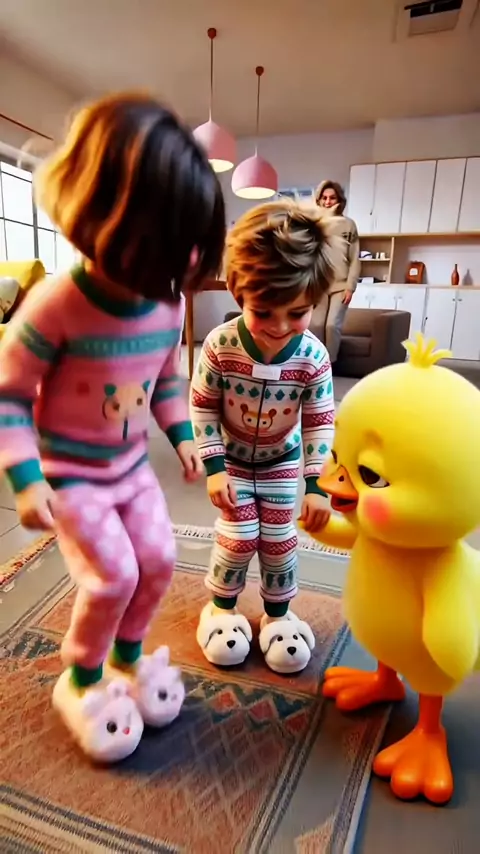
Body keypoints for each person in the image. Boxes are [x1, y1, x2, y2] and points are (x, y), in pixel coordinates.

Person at [0, 92, 225, 762]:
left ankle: (127, 661)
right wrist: (27, 480)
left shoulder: (167, 303)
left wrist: (183, 438)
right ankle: (81, 680)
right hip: (73, 478)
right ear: (107, 222)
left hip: (131, 472)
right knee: (112, 577)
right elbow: (9, 396)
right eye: (168, 250)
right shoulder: (57, 304)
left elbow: (164, 383)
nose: (180, 268)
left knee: (158, 560)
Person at [190, 200, 339, 674]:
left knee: (278, 541)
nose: (279, 327)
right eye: (263, 312)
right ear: (239, 294)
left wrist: (316, 486)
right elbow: (203, 404)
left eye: (297, 313)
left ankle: (278, 617)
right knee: (238, 538)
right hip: (232, 462)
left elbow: (319, 420)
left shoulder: (313, 357)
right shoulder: (220, 345)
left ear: (315, 302)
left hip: (281, 463)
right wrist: (214, 467)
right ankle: (221, 610)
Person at [310, 180, 360, 364]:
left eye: (332, 198)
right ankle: (315, 364)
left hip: (341, 285)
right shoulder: (314, 224)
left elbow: (355, 258)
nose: (328, 201)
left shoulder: (349, 225)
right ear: (319, 200)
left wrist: (350, 287)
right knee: (315, 325)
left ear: (339, 200)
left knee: (332, 325)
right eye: (324, 198)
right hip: (319, 285)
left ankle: (328, 365)